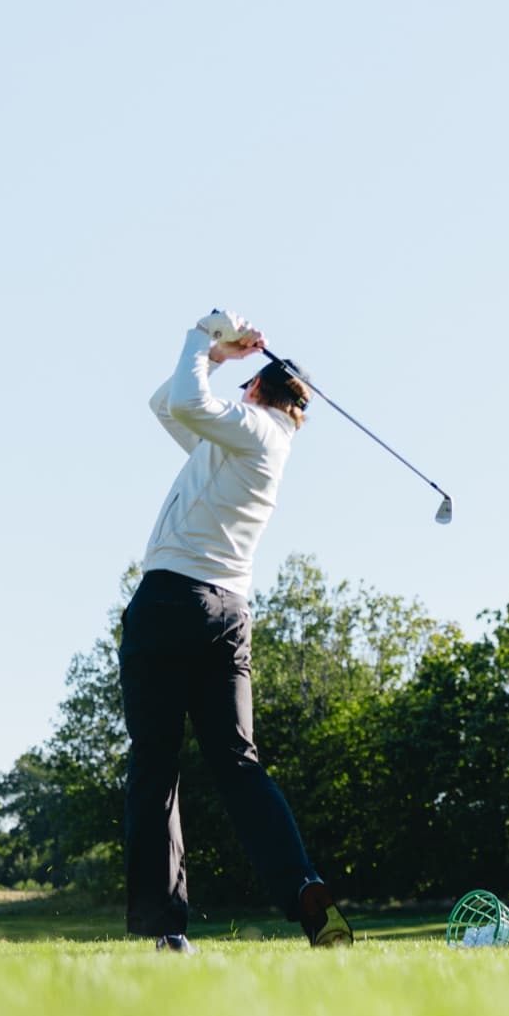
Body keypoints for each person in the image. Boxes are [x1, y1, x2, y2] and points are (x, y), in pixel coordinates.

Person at [120, 316, 355, 952]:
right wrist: (220, 358)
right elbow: (169, 403)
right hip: (228, 615)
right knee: (239, 766)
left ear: (257, 391)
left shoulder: (251, 427)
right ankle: (305, 889)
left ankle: (167, 930)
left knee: (155, 765)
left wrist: (204, 336)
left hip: (171, 601)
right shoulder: (247, 443)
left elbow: (187, 399)